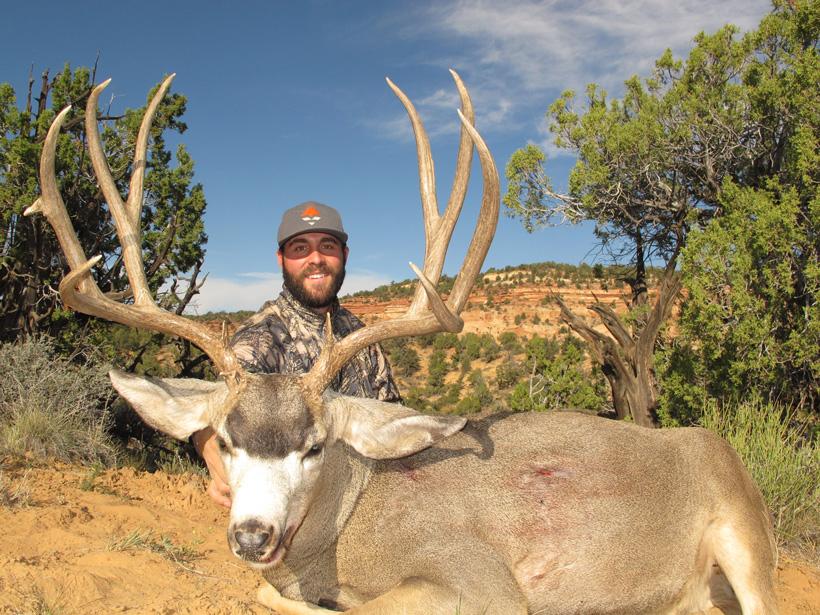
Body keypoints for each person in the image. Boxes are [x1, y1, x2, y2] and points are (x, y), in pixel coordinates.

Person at [193, 201, 401, 507]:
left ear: (344, 255)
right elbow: (219, 415)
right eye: (300, 249)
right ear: (281, 259)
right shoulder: (261, 338)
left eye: (327, 246)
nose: (315, 259)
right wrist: (207, 444)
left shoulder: (361, 337)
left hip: (377, 504)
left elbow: (393, 415)